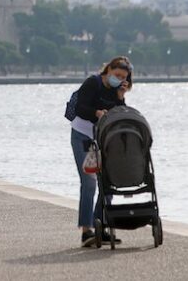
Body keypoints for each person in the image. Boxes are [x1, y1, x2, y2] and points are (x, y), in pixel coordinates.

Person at [70, 56, 132, 247]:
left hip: (104, 139)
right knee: (89, 182)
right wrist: (96, 113)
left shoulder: (116, 90)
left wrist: (121, 97)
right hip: (83, 136)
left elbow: (121, 115)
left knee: (107, 182)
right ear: (108, 70)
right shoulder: (92, 82)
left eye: (123, 77)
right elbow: (80, 107)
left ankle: (101, 226)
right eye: (117, 75)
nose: (119, 79)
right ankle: (86, 231)